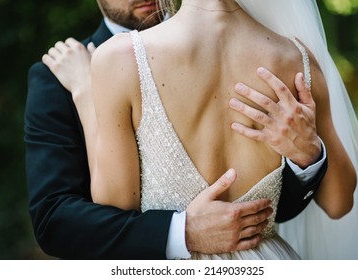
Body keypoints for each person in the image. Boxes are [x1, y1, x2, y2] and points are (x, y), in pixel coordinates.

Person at [25, 0, 328, 260]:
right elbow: (55, 219)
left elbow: (273, 208)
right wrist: (180, 232)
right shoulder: (56, 78)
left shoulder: (257, 51)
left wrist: (307, 159)